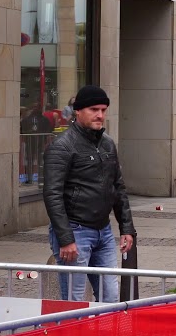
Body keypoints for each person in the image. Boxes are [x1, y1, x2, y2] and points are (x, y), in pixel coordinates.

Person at [43, 85, 136, 303]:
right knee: (75, 301)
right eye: (94, 109)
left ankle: (102, 328)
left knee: (110, 297)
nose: (100, 115)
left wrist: (126, 228)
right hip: (75, 231)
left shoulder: (107, 144)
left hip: (103, 230)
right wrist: (66, 239)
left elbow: (118, 187)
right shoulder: (62, 146)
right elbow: (52, 194)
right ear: (78, 111)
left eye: (103, 110)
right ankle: (72, 328)